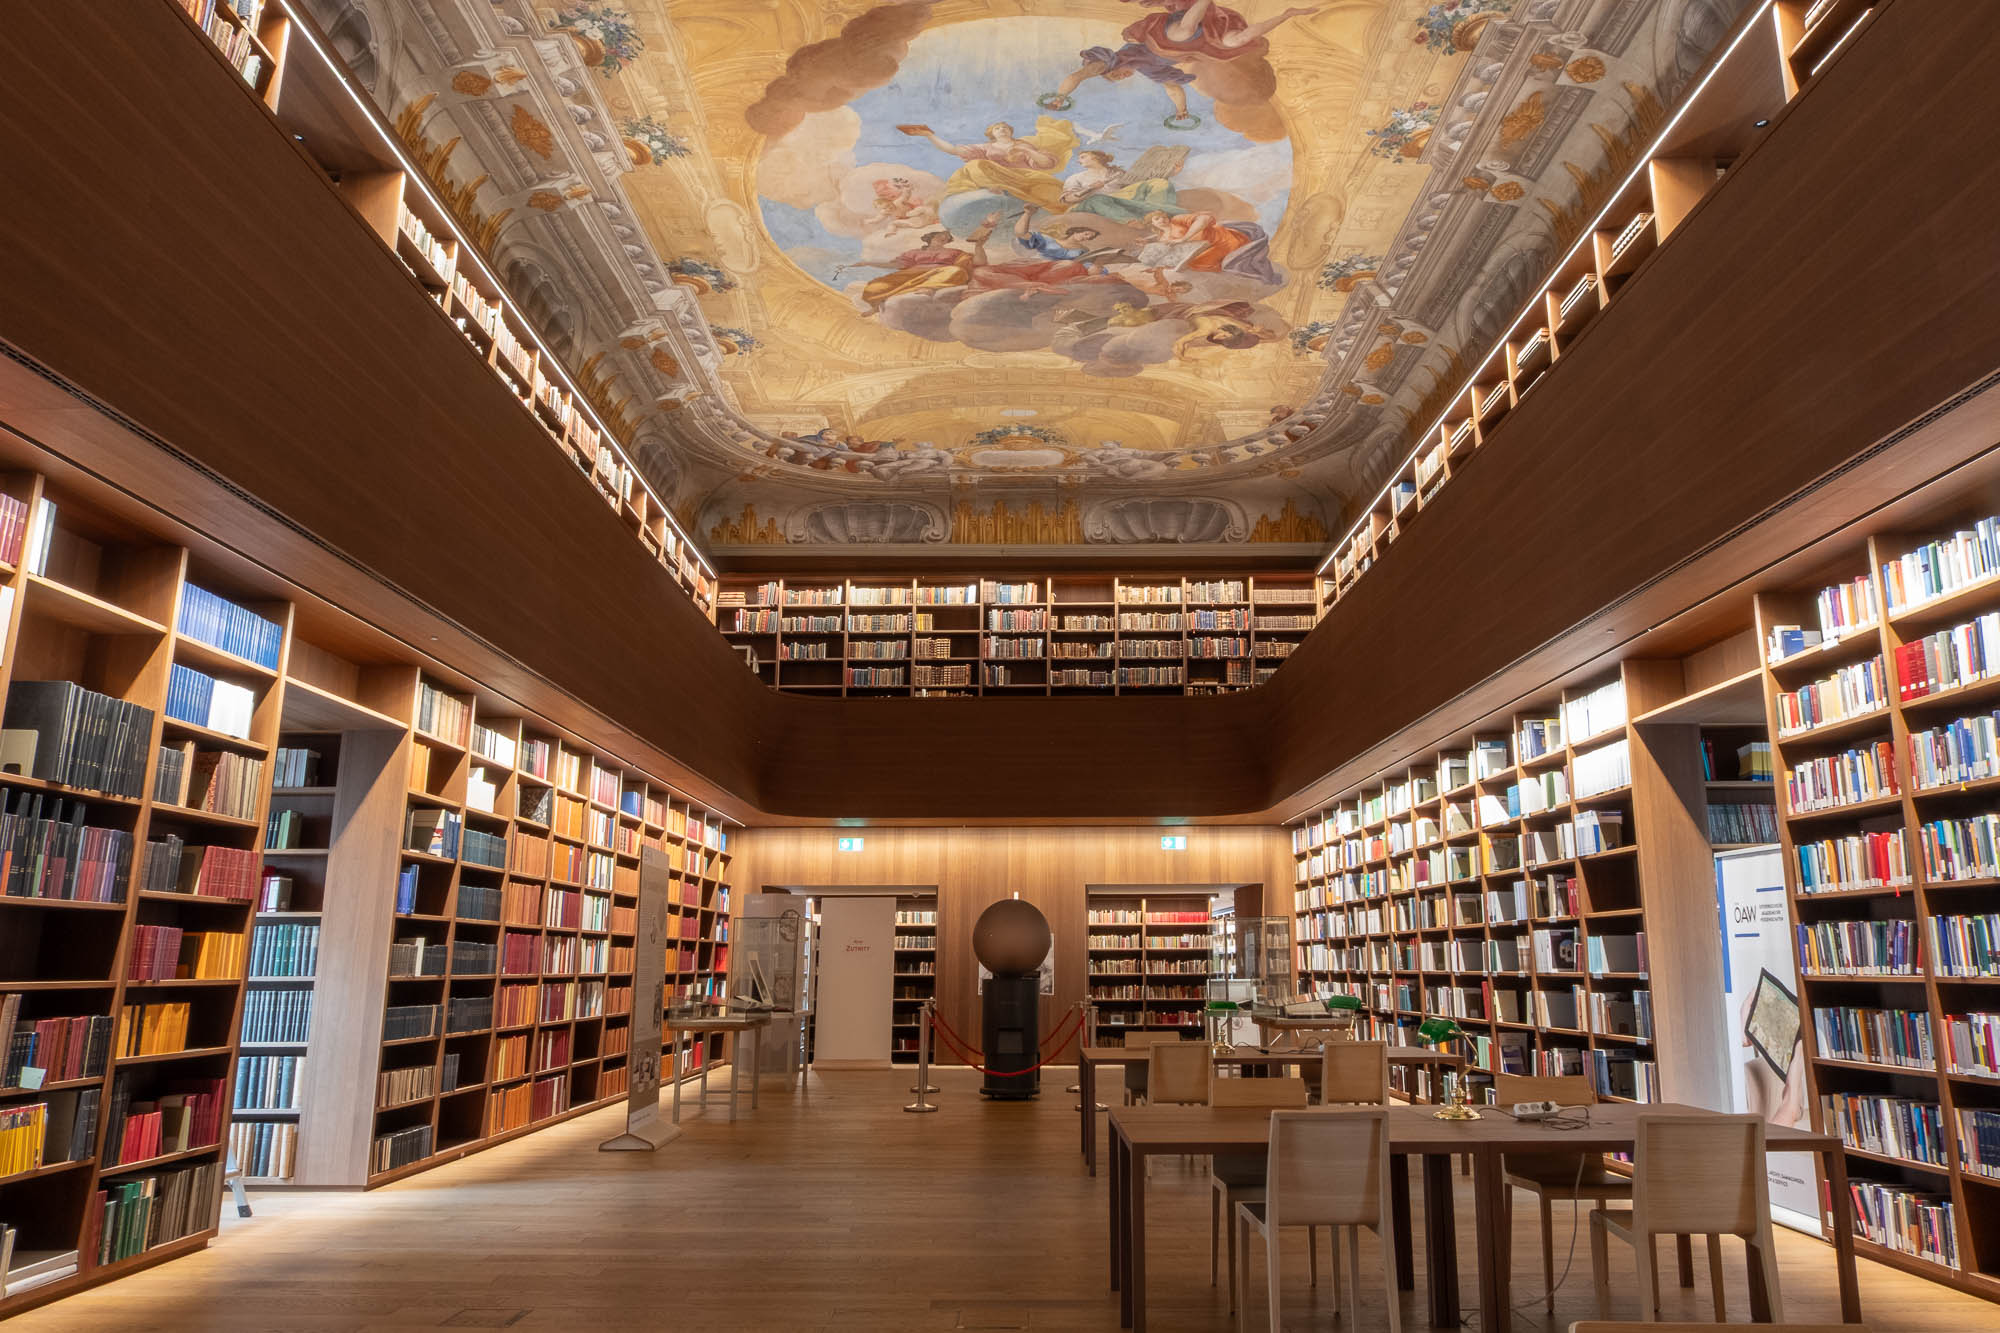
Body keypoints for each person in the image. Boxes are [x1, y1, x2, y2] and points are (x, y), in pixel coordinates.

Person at [1048, 1, 1322, 122]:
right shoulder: (1151, 71)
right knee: (1234, 42)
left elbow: (1078, 76)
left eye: (1114, 75)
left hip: (1160, 34)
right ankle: (1288, 13)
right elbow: (1174, 89)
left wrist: (1060, 97)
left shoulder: (1116, 59)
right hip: (1202, 45)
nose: (1121, 77)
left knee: (1183, 32)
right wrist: (1181, 113)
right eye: (1119, 79)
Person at [898, 118, 1078, 213]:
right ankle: (1000, 188)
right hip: (997, 177)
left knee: (1054, 195)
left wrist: (1028, 151)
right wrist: (929, 135)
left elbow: (1045, 163)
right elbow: (953, 150)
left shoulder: (1024, 144)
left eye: (1005, 127)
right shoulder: (986, 147)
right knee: (976, 165)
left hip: (1026, 177)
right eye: (997, 128)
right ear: (991, 133)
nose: (1002, 129)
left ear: (1011, 131)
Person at [1059, 149, 1181, 223]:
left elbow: (1140, 187)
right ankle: (1131, 221)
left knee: (1160, 182)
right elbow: (1068, 199)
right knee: (1099, 198)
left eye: (1083, 156)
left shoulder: (1119, 173)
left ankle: (1156, 214)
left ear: (1096, 157)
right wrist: (1090, 188)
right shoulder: (1076, 177)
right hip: (1091, 204)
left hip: (1118, 200)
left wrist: (1170, 173)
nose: (1079, 160)